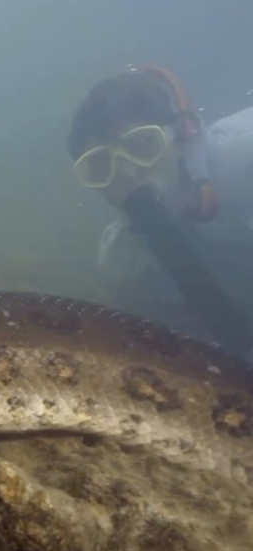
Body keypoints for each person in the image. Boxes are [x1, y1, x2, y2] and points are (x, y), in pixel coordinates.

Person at [67, 65, 253, 355]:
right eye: (101, 165)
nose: (127, 174)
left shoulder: (245, 155)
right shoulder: (125, 260)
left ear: (180, 135)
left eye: (142, 146)